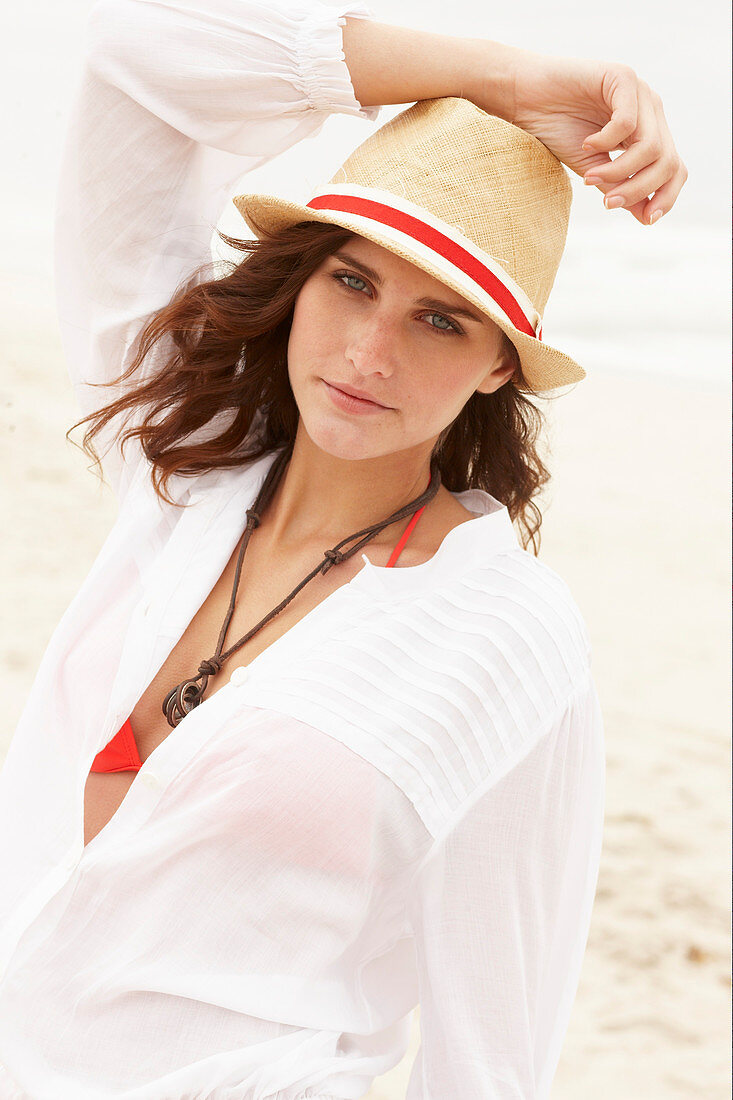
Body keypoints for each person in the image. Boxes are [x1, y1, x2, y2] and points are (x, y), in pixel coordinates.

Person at [0, 1, 685, 1097]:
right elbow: (132, 61)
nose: (368, 352)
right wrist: (502, 80)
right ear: (302, 279)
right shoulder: (186, 465)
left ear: (501, 367)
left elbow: (492, 1045)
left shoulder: (503, 634)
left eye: (440, 319)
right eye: (353, 280)